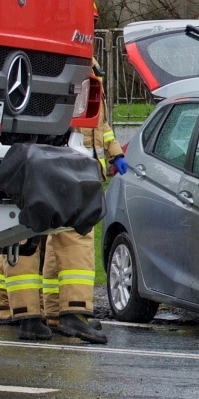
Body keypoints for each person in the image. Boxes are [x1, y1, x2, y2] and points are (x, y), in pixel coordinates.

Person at [39, 66, 125, 344]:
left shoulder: (88, 73)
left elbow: (100, 125)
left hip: (76, 168)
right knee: (79, 237)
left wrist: (115, 154)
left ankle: (55, 310)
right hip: (72, 168)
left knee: (58, 241)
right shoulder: (73, 71)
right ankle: (74, 312)